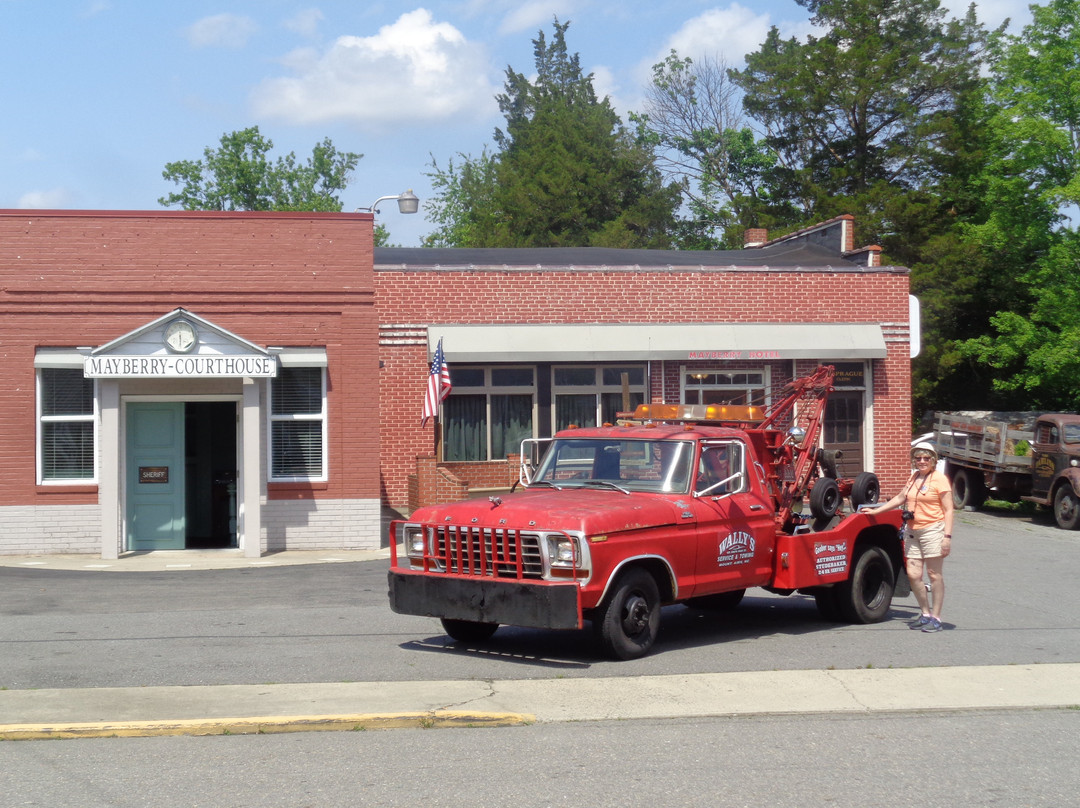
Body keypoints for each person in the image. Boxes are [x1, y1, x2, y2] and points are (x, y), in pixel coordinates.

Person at [862, 442, 954, 633]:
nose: (922, 461)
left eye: (926, 458)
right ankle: (925, 613)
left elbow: (949, 509)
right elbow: (900, 498)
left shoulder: (939, 479)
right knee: (913, 574)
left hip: (933, 530)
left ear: (933, 460)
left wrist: (947, 536)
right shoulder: (914, 477)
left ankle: (936, 617)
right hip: (913, 531)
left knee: (934, 574)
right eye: (918, 458)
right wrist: (876, 512)